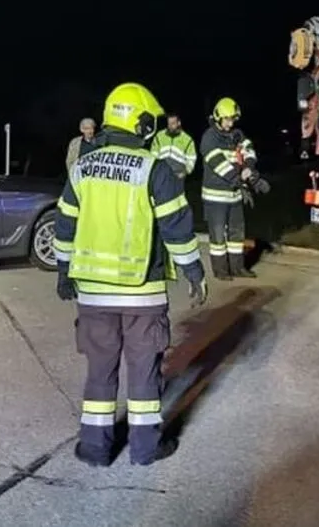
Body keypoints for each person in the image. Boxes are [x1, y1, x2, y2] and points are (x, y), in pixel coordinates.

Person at [54, 82, 208, 467]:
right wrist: (194, 273)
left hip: (93, 294)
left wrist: (63, 270)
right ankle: (145, 448)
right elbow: (177, 228)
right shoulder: (154, 169)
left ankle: (95, 448)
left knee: (99, 371)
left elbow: (65, 223)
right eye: (149, 121)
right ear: (140, 124)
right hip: (142, 294)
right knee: (144, 373)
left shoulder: (83, 167)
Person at [200, 97, 264, 280]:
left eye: (233, 119)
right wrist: (240, 180)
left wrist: (249, 169)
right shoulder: (209, 137)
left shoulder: (237, 134)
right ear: (218, 118)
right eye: (227, 119)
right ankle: (220, 270)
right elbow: (219, 165)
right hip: (215, 198)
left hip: (235, 195)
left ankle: (237, 268)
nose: (230, 123)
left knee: (237, 234)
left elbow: (248, 149)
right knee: (218, 236)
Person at [150, 113, 197, 178]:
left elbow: (191, 159)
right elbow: (153, 154)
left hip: (178, 173)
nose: (170, 126)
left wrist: (185, 171)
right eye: (169, 123)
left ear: (179, 123)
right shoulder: (159, 135)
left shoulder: (187, 139)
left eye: (173, 123)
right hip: (160, 171)